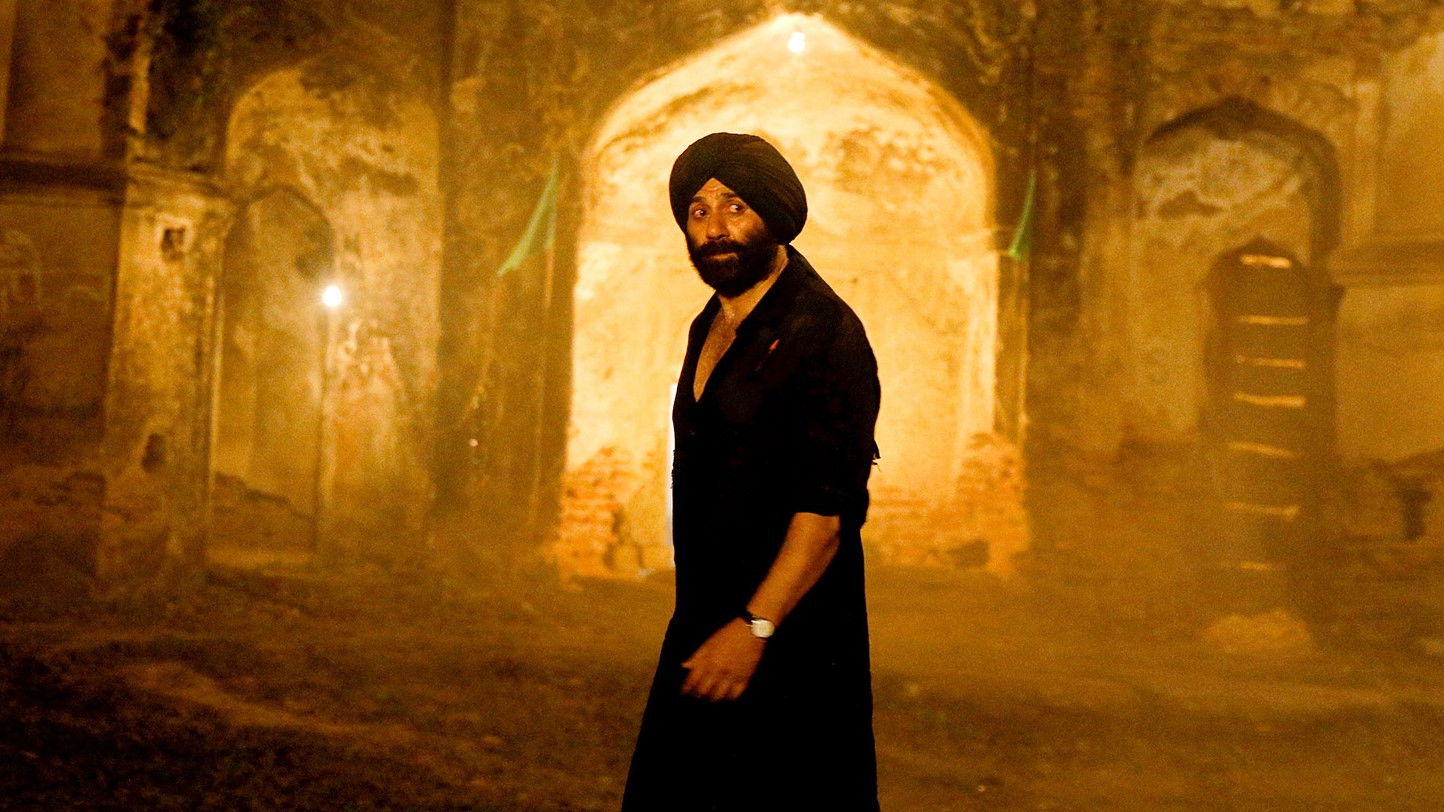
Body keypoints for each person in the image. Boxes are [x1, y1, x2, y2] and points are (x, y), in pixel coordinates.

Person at [622, 132, 882, 811]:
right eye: (699, 211)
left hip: (792, 637)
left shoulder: (824, 332)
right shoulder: (708, 323)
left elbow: (825, 514)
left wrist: (755, 627)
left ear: (774, 214)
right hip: (705, 622)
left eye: (735, 207)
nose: (715, 228)